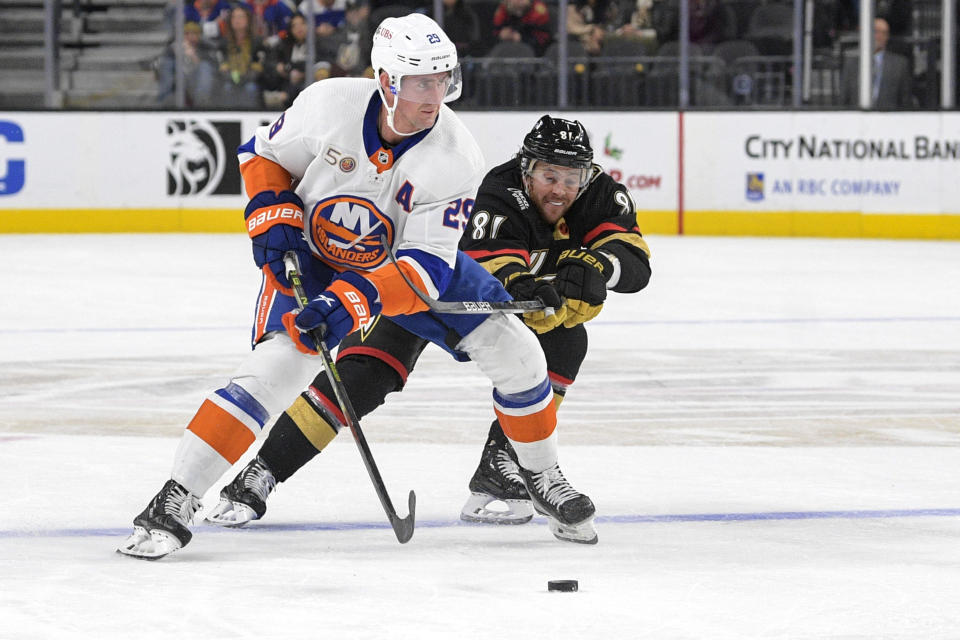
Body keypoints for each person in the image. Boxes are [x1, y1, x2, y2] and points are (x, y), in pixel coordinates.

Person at [118, 14, 595, 560]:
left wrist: (355, 300)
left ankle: (540, 474)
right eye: (420, 82)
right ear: (386, 79)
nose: (433, 95)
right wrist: (273, 217)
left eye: (442, 80)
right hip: (316, 258)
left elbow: (424, 268)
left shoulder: (456, 155)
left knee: (518, 352)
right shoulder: (327, 106)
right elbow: (262, 156)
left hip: (405, 265)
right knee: (276, 369)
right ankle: (177, 496)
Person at [204, 116, 650, 535]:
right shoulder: (496, 192)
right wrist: (549, 289)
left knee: (565, 340)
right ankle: (262, 471)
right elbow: (499, 279)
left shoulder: (600, 194)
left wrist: (596, 267)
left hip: (479, 314)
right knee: (362, 377)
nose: (561, 190)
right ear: (527, 168)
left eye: (572, 179)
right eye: (551, 176)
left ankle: (502, 464)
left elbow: (634, 262)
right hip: (418, 289)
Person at [841, 17, 912, 109]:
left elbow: (905, 101)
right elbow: (844, 99)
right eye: (876, 31)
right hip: (857, 119)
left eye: (884, 33)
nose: (879, 36)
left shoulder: (900, 64)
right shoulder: (851, 63)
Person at [156, 20, 219, 108]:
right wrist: (178, 52)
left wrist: (194, 56)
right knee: (167, 64)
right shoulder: (173, 47)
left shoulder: (206, 47)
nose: (190, 37)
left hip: (198, 81)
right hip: (179, 80)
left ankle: (202, 103)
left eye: (194, 34)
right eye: (187, 34)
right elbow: (163, 63)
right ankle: (164, 102)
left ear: (199, 36)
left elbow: (213, 66)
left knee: (205, 66)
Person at [216, 5, 268, 108]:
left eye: (240, 17)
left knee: (251, 88)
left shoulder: (257, 42)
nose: (237, 20)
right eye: (234, 17)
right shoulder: (223, 43)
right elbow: (221, 66)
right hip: (229, 81)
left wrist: (244, 78)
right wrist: (232, 77)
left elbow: (259, 68)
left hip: (250, 81)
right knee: (227, 88)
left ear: (248, 20)